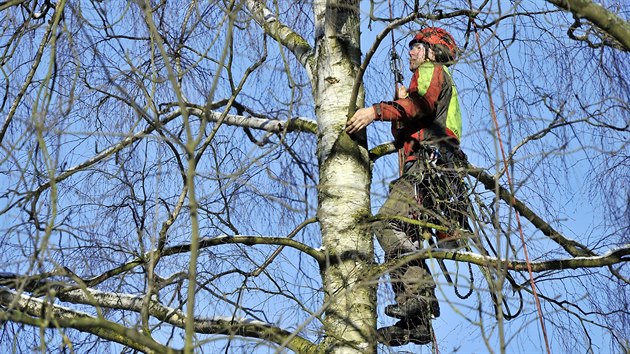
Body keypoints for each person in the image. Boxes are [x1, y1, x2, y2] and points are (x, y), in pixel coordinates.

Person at [346, 27, 468, 346]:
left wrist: (377, 111)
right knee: (406, 232)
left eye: (418, 47)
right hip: (433, 166)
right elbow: (411, 127)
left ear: (432, 52)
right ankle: (416, 321)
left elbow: (422, 106)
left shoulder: (431, 71)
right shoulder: (430, 76)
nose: (412, 52)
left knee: (388, 223)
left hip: (429, 166)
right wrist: (401, 112)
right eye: (412, 48)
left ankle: (418, 298)